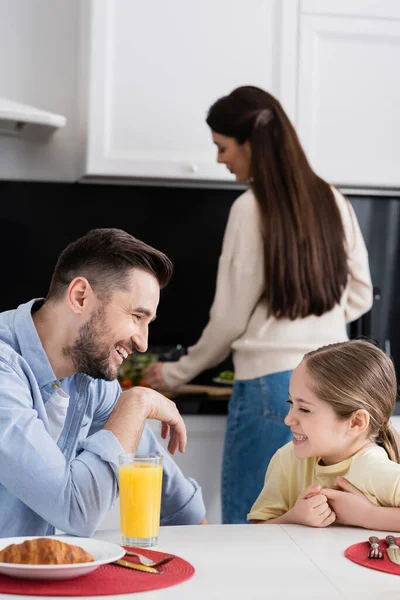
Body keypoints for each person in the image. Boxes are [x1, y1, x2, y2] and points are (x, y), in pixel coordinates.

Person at [144, 86, 373, 524]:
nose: (219, 159)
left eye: (222, 147)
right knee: (317, 529)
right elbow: (360, 292)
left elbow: (229, 318)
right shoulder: (334, 200)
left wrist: (174, 372)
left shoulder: (250, 208)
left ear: (250, 142)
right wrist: (312, 324)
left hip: (274, 390)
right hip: (334, 391)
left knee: (249, 527)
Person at [0, 228, 206, 537]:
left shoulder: (89, 376)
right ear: (80, 296)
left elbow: (170, 491)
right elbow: (76, 511)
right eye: (137, 316)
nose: (143, 342)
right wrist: (137, 402)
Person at [248, 340, 400, 528]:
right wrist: (292, 518)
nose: (288, 419)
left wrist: (367, 515)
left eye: (304, 409)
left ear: (356, 422)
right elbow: (256, 530)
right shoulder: (287, 460)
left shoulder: (373, 469)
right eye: (291, 403)